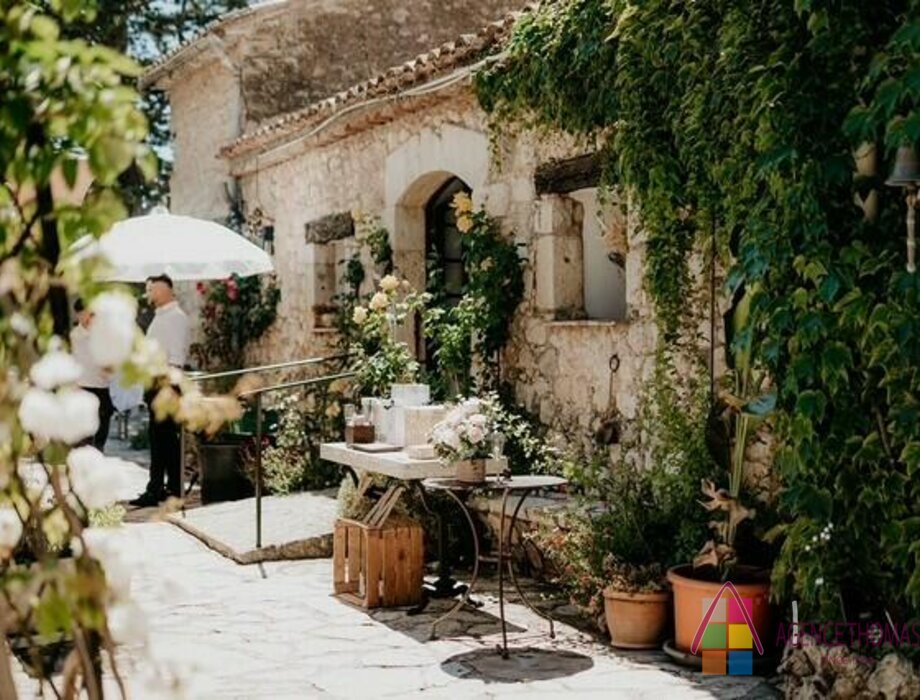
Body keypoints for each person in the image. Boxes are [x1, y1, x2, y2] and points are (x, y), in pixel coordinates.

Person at [130, 273, 190, 506]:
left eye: (152, 289)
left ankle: (164, 489)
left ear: (166, 290)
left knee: (165, 439)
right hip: (156, 383)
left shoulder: (175, 317)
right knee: (161, 440)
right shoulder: (161, 317)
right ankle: (164, 488)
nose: (149, 293)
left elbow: (176, 357)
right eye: (148, 289)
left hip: (167, 384)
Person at [71, 299, 115, 451]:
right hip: (80, 390)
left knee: (99, 440)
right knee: (82, 440)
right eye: (86, 313)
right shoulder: (73, 337)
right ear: (78, 315)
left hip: (102, 390)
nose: (90, 317)